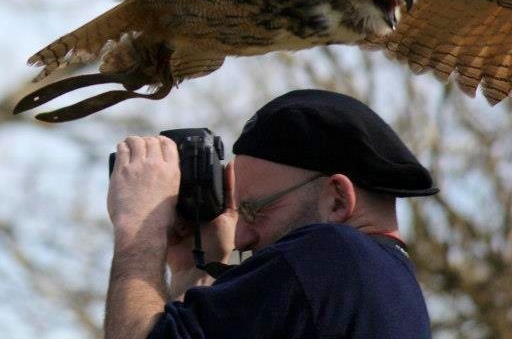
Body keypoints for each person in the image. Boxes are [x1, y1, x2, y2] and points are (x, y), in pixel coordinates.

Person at [104, 89, 436, 339]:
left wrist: (138, 230)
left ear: (337, 200)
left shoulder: (331, 251)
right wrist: (192, 270)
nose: (241, 237)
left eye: (255, 209)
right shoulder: (388, 289)